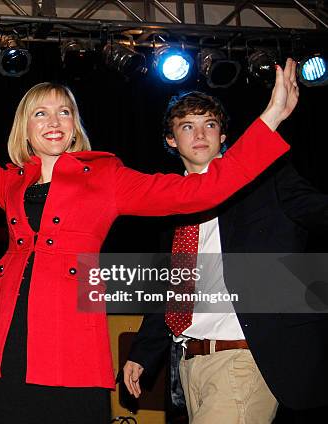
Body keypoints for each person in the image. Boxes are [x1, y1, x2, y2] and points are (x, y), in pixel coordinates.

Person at [0, 28, 295, 420]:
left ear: (75, 125)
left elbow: (199, 193)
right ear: (25, 129)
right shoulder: (10, 182)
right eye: (40, 113)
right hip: (10, 334)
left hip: (71, 338)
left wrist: (270, 119)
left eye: (64, 112)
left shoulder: (106, 178)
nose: (54, 121)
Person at [123, 90, 328, 423]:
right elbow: (170, 290)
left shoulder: (268, 181)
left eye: (210, 124)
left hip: (245, 360)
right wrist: (144, 353)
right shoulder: (168, 204)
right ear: (171, 140)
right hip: (189, 364)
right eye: (187, 126)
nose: (201, 135)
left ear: (223, 135)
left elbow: (320, 211)